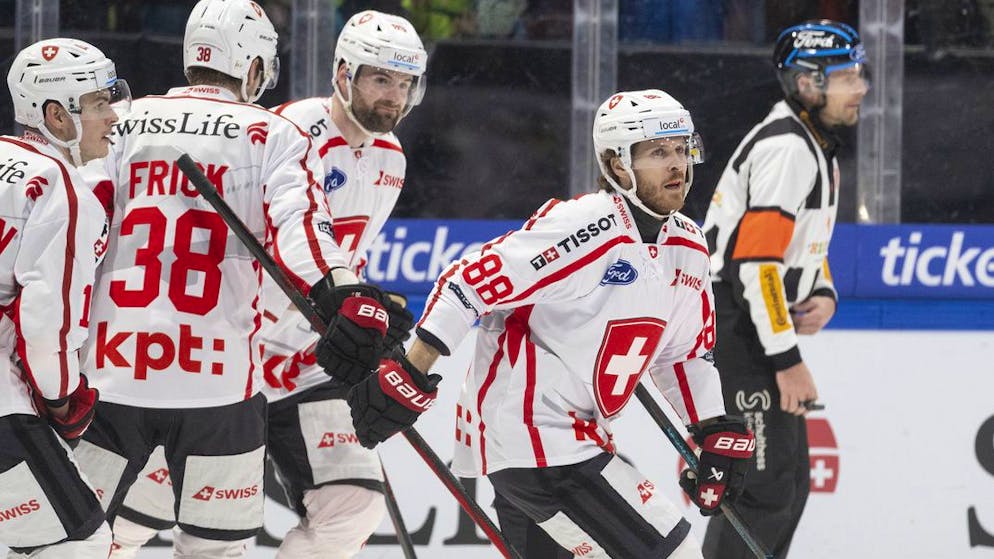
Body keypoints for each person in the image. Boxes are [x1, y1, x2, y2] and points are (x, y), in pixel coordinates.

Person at [331, 89, 756, 558]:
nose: (677, 165)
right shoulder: (586, 225)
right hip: (535, 437)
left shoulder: (688, 247)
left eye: (681, 149)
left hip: (573, 438)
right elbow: (467, 282)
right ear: (618, 166)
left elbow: (684, 353)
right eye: (658, 152)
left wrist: (711, 427)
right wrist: (410, 370)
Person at [102, 10, 429, 559]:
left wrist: (367, 308)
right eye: (380, 79)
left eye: (404, 83)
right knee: (134, 521)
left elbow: (342, 260)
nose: (393, 97)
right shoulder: (289, 132)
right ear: (343, 75)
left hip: (304, 364)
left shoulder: (390, 160)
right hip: (231, 356)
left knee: (354, 505)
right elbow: (264, 246)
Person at [699, 20, 869, 559]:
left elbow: (801, 248)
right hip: (736, 329)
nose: (861, 86)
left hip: (750, 325)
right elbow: (754, 264)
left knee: (789, 484)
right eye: (846, 76)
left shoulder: (815, 145)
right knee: (758, 489)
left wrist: (824, 291)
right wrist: (787, 358)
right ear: (806, 85)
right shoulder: (789, 149)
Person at [0, 38, 131, 558]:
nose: (113, 117)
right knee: (76, 543)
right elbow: (44, 318)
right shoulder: (63, 189)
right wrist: (63, 398)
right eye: (99, 104)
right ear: (56, 116)